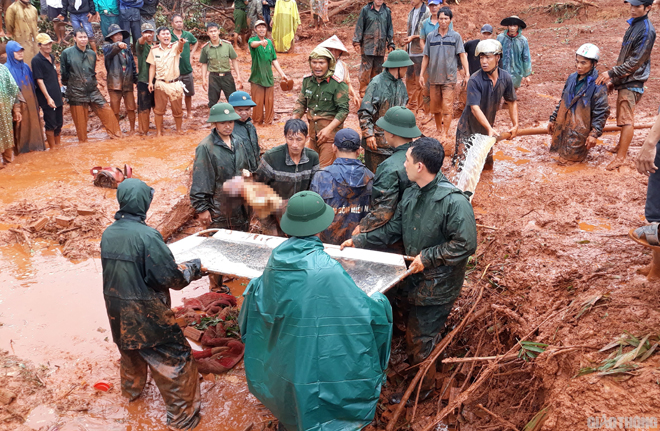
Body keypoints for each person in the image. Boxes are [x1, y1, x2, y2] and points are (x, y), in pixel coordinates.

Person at [239, 190, 392, 431]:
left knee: (292, 402)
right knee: (315, 398)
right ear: (320, 225)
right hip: (314, 360)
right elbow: (359, 310)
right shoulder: (326, 269)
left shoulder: (276, 260)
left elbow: (260, 298)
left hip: (286, 359)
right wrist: (380, 301)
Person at [342, 137, 477, 401]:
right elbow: (394, 229)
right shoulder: (413, 192)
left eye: (407, 159)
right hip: (415, 280)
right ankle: (425, 361)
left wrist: (428, 257)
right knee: (415, 329)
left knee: (420, 339)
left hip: (438, 285)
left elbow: (466, 244)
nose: (402, 162)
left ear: (420, 166)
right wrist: (360, 241)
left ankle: (423, 389)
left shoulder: (454, 203)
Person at [101, 178, 205, 430]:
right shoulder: (148, 236)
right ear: (144, 203)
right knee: (176, 358)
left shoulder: (108, 233)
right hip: (146, 312)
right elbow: (171, 278)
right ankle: (183, 419)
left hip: (116, 309)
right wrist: (193, 267)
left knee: (130, 351)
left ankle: (132, 395)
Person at [596, 0, 656, 171]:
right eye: (631, 5)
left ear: (648, 8)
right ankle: (620, 148)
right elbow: (626, 57)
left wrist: (611, 74)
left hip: (633, 81)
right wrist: (615, 82)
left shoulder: (646, 30)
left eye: (637, 6)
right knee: (623, 118)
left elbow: (635, 62)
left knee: (626, 119)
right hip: (626, 81)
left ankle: (621, 157)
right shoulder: (634, 25)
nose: (633, 9)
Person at [354, 106, 421, 249]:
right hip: (420, 228)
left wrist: (362, 228)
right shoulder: (423, 156)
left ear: (391, 134)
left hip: (395, 235)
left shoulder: (389, 166)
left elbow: (382, 212)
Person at [190, 103, 258, 231]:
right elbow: (200, 180)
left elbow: (246, 168)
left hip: (241, 204)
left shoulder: (238, 141)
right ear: (215, 123)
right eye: (223, 123)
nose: (228, 126)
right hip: (219, 208)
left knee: (241, 240)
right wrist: (202, 209)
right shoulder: (206, 147)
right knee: (219, 243)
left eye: (231, 122)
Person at [454, 39, 518, 170]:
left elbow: (511, 102)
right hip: (468, 130)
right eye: (481, 58)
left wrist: (515, 125)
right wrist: (489, 128)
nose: (483, 61)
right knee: (461, 169)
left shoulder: (505, 77)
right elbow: (474, 108)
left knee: (487, 167)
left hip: (486, 130)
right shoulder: (474, 80)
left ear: (497, 57)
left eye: (488, 57)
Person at [310, 128, 373, 245]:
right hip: (359, 246)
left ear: (334, 147)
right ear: (359, 151)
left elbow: (312, 215)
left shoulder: (321, 177)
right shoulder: (371, 178)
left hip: (326, 247)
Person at [548, 44, 609, 163]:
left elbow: (601, 111)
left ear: (594, 64)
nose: (579, 66)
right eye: (577, 62)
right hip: (562, 127)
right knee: (558, 158)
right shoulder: (572, 77)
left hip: (579, 132)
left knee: (569, 163)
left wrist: (594, 134)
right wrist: (553, 118)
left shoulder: (598, 85)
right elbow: (563, 100)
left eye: (583, 63)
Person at [61, 29, 122, 143]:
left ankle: (118, 139)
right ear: (75, 38)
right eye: (80, 37)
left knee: (107, 111)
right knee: (81, 125)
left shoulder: (91, 54)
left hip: (92, 89)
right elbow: (64, 74)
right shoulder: (67, 53)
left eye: (85, 37)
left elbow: (92, 71)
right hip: (75, 91)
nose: (83, 39)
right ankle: (83, 145)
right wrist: (71, 86)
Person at [292, 47, 349, 168]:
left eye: (321, 62)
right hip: (313, 134)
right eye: (314, 62)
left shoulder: (338, 84)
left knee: (324, 170)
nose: (317, 66)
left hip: (330, 136)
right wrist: (293, 121)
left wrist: (328, 129)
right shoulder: (307, 81)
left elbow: (343, 111)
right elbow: (301, 103)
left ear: (329, 64)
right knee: (310, 167)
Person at [419, 6, 469, 144]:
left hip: (449, 78)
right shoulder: (430, 37)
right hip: (434, 78)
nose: (443, 21)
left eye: (446, 18)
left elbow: (462, 55)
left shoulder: (455, 36)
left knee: (447, 108)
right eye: (441, 18)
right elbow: (425, 57)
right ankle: (439, 131)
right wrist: (421, 75)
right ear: (438, 19)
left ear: (450, 20)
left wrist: (467, 73)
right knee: (435, 108)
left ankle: (445, 133)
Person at [358, 49, 412, 172]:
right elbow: (364, 112)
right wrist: (368, 134)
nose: (406, 70)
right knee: (375, 177)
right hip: (376, 144)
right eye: (405, 67)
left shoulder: (400, 84)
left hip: (395, 143)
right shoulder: (376, 83)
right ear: (398, 67)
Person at [254, 119, 320, 201]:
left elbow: (315, 187)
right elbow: (257, 186)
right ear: (285, 137)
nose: (294, 145)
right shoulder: (271, 157)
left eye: (299, 139)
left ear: (306, 138)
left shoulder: (312, 157)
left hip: (302, 207)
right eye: (290, 139)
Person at [6, 41, 45, 154]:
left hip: (31, 101)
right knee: (20, 128)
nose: (20, 54)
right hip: (18, 103)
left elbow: (33, 85)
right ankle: (21, 152)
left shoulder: (26, 66)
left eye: (21, 51)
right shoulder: (6, 69)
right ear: (10, 53)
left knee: (35, 125)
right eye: (17, 52)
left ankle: (36, 147)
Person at [147, 26, 186, 136]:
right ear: (158, 37)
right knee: (159, 110)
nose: (166, 36)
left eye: (168, 34)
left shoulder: (175, 46)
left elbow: (180, 46)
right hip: (160, 83)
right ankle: (159, 132)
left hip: (175, 84)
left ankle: (178, 130)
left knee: (177, 110)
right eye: (163, 34)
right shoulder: (154, 50)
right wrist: (150, 82)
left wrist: (181, 42)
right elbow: (152, 67)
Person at [248, 20, 288, 125]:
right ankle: (257, 123)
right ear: (255, 30)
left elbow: (274, 59)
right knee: (258, 102)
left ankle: (269, 122)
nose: (262, 29)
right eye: (259, 27)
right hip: (257, 77)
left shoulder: (269, 42)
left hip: (269, 77)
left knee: (270, 102)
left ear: (266, 29)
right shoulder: (252, 40)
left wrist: (282, 74)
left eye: (263, 27)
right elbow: (253, 45)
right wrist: (260, 43)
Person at [352, 0, 395, 97]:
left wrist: (390, 44)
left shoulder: (386, 11)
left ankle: (375, 93)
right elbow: (359, 26)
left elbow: (390, 29)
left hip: (380, 47)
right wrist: (356, 42)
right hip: (368, 46)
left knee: (378, 71)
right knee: (365, 71)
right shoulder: (366, 10)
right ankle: (363, 93)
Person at [103, 24, 138, 135]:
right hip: (114, 83)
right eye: (115, 35)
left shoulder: (127, 49)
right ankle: (116, 130)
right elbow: (111, 51)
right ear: (111, 38)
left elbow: (132, 65)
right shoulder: (107, 48)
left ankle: (132, 129)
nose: (118, 36)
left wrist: (136, 80)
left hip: (127, 82)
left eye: (120, 34)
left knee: (131, 107)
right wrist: (118, 45)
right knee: (115, 109)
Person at [32, 34, 64, 149]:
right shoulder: (36, 60)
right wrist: (48, 98)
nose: (48, 46)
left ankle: (58, 146)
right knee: (51, 123)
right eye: (45, 44)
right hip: (46, 97)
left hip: (56, 94)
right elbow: (39, 81)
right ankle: (52, 148)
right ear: (39, 46)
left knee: (59, 123)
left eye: (50, 43)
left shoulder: (51, 57)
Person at [200, 23, 243, 108]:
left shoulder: (227, 45)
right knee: (212, 103)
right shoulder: (205, 48)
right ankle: (214, 120)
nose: (213, 33)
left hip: (227, 76)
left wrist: (238, 76)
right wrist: (203, 79)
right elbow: (204, 63)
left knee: (233, 100)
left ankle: (234, 120)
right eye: (211, 31)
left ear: (219, 32)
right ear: (207, 33)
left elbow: (234, 60)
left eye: (215, 31)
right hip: (213, 77)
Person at [318, 35, 361, 108]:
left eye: (336, 50)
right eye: (331, 50)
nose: (333, 52)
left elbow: (347, 83)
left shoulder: (343, 66)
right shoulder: (320, 65)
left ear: (340, 51)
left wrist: (354, 95)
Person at [403, 0, 430, 112]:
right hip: (410, 50)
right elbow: (409, 30)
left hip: (420, 50)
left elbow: (426, 33)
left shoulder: (426, 12)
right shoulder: (411, 12)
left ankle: (421, 107)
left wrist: (413, 37)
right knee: (409, 78)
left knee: (420, 79)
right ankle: (412, 103)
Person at [171, 14, 199, 119]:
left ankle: (189, 113)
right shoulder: (168, 35)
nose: (179, 24)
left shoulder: (188, 35)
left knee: (188, 93)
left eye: (180, 21)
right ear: (172, 24)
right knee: (176, 95)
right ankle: (178, 113)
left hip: (187, 69)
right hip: (174, 70)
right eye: (176, 22)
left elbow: (196, 42)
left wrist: (192, 54)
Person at [228, 90, 260, 172]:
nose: (244, 113)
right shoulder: (228, 129)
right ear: (231, 109)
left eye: (247, 109)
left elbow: (255, 149)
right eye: (239, 110)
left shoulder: (250, 126)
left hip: (253, 170)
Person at [497, 15, 532, 89]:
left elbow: (526, 57)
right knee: (500, 89)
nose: (512, 28)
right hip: (502, 69)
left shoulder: (522, 40)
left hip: (517, 70)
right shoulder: (500, 38)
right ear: (507, 26)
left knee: (513, 89)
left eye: (515, 26)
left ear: (518, 27)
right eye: (510, 25)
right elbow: (495, 53)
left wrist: (527, 74)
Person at [0, 63, 22, 167]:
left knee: (7, 137)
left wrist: (17, 110)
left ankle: (8, 162)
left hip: (4, 113)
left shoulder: (3, 69)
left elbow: (14, 91)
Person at [5, 0, 39, 65]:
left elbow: (36, 23)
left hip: (34, 41)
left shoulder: (33, 9)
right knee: (25, 63)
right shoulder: (12, 8)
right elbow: (9, 26)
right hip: (21, 41)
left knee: (36, 63)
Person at [136, 22, 155, 135]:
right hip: (143, 79)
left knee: (155, 105)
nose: (149, 34)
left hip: (156, 80)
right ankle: (143, 131)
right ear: (142, 33)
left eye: (151, 32)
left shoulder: (156, 46)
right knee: (143, 107)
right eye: (146, 32)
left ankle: (156, 128)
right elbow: (140, 42)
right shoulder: (141, 47)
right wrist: (143, 38)